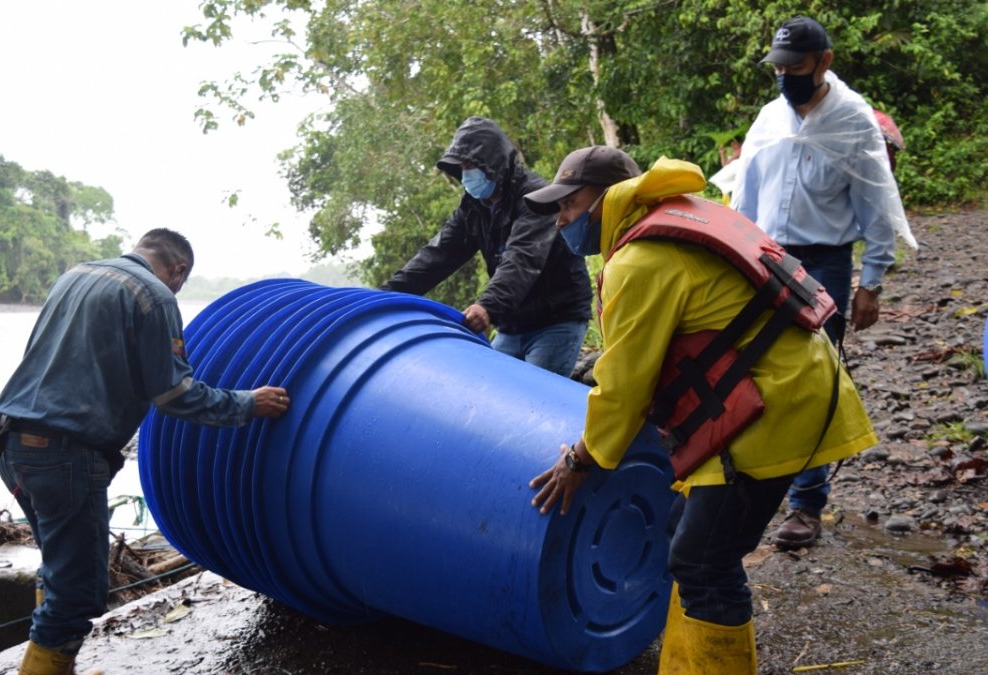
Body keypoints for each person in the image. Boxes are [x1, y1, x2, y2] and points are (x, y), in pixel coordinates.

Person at [524, 146, 877, 672]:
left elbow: (624, 391)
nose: (563, 220)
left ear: (603, 198)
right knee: (684, 534)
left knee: (703, 562)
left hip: (771, 408)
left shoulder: (639, 260)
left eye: (570, 205)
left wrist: (580, 460)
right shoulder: (678, 216)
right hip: (796, 387)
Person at [0, 228, 291, 675]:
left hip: (11, 444)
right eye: (180, 281)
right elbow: (175, 395)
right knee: (79, 592)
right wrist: (248, 403)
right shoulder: (154, 296)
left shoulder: (76, 275)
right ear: (178, 270)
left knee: (60, 567)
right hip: (65, 456)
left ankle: (52, 665)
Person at [733, 16, 917, 550]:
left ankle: (806, 506)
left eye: (795, 67)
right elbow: (744, 197)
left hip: (824, 262)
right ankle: (751, 484)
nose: (785, 75)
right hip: (763, 257)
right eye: (779, 67)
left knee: (815, 380)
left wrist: (872, 281)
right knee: (752, 369)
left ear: (824, 62)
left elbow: (876, 206)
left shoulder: (854, 121)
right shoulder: (769, 118)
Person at [380, 116, 593, 377]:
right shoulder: (473, 207)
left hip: (556, 319)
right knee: (492, 388)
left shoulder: (536, 199)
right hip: (512, 323)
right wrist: (385, 295)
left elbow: (522, 260)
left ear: (493, 163)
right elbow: (437, 255)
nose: (466, 174)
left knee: (533, 400)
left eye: (472, 165)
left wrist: (487, 306)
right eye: (462, 167)